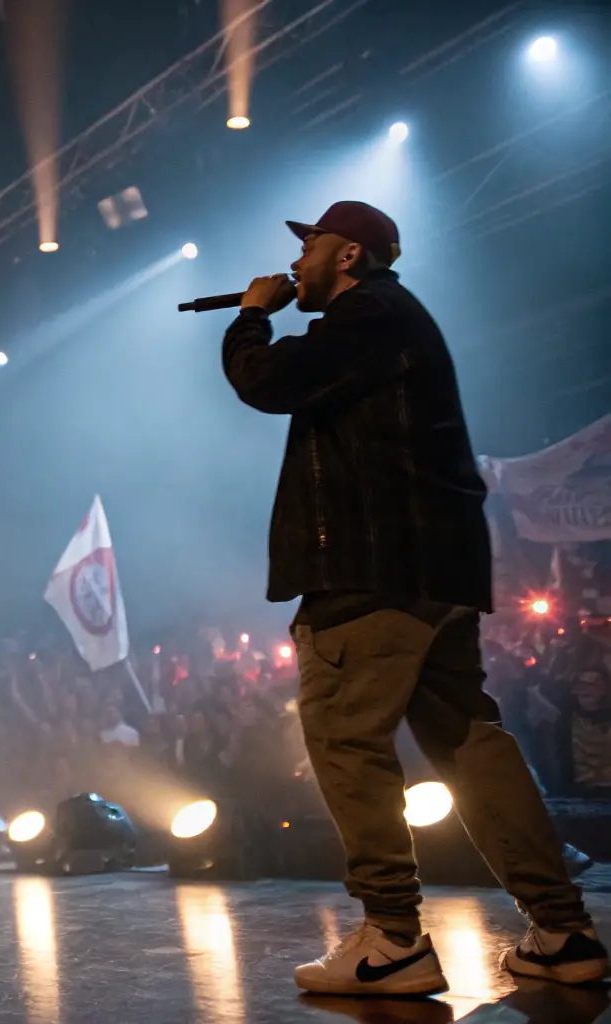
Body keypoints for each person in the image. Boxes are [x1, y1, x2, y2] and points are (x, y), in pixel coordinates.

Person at [222, 200, 607, 996]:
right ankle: (562, 932)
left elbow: (264, 382)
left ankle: (390, 938)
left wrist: (252, 316)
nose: (295, 261)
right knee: (467, 740)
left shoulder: (365, 313)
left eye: (310, 246)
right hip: (431, 568)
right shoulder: (386, 318)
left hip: (370, 565)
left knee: (343, 736)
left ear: (350, 255)